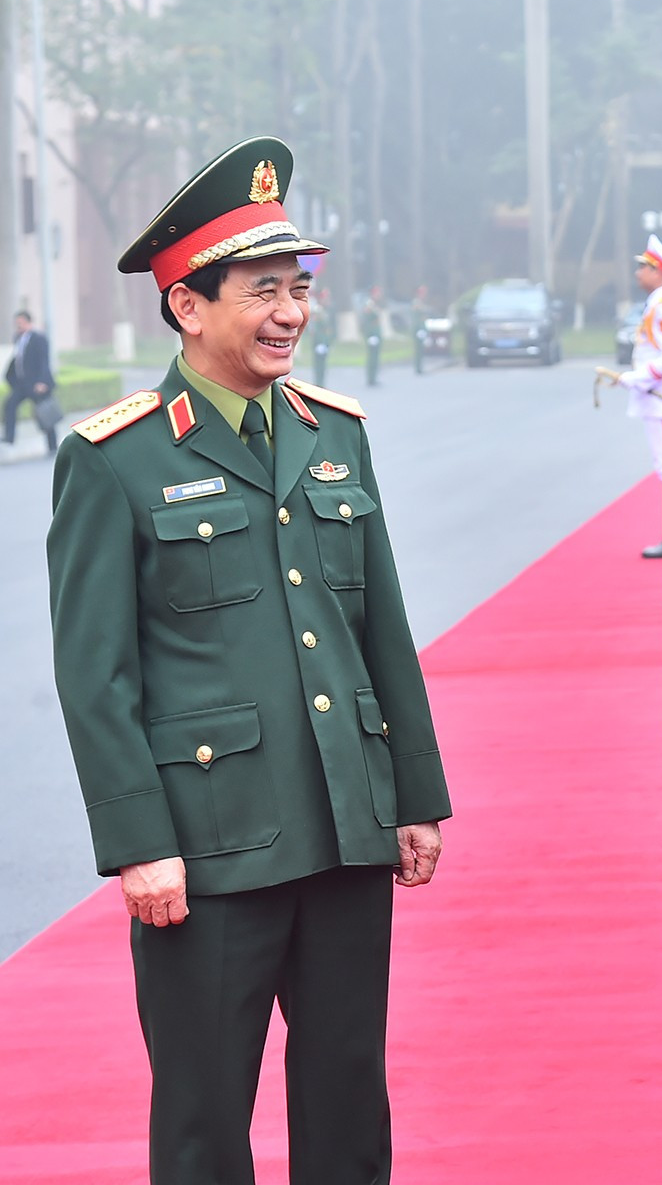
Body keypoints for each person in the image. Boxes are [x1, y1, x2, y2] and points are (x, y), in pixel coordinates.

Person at [46, 136, 451, 1185]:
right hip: (209, 852)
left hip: (344, 826)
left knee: (349, 1104)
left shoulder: (332, 435)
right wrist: (140, 843)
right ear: (189, 305)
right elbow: (97, 675)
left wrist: (411, 792)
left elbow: (381, 629)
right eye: (264, 290)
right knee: (203, 1118)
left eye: (299, 288)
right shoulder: (114, 459)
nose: (291, 312)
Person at [618, 235, 662, 558]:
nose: (638, 274)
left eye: (643, 268)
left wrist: (638, 378)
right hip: (659, 397)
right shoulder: (660, 303)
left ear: (659, 271)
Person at [3, 308, 57, 453]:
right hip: (23, 385)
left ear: (27, 322)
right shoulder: (19, 338)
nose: (18, 326)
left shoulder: (38, 338)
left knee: (45, 413)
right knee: (10, 405)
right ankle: (9, 437)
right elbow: (18, 360)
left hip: (37, 384)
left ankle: (52, 446)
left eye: (20, 323)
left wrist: (42, 382)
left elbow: (44, 361)